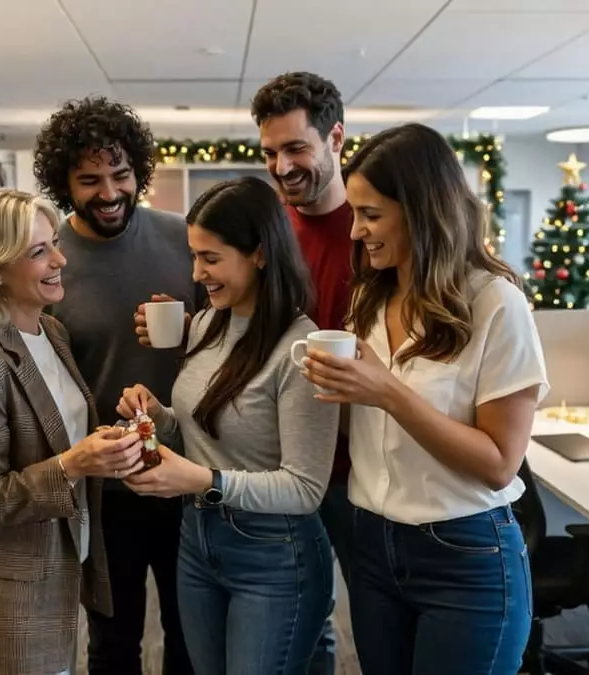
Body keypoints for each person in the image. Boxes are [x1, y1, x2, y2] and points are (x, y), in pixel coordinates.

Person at [301, 123, 548, 675]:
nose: (356, 230)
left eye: (370, 214)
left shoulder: (496, 304)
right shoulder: (369, 297)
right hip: (373, 545)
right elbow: (364, 435)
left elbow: (498, 463)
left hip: (463, 554)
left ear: (420, 210)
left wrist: (388, 393)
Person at [122, 177, 339, 675]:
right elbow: (204, 432)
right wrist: (159, 416)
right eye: (194, 256)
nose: (197, 273)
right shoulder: (205, 324)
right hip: (198, 540)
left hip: (275, 555)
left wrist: (202, 480)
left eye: (211, 259)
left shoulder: (301, 349)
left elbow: (305, 488)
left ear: (259, 254)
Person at [0, 189, 145, 675]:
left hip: (65, 562)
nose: (60, 258)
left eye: (54, 242)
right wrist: (75, 463)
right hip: (16, 591)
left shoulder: (50, 332)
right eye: (38, 252)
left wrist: (115, 435)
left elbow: (59, 433)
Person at [34, 96, 197, 675]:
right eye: (89, 180)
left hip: (188, 478)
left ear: (139, 174)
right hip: (104, 492)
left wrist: (188, 329)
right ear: (64, 184)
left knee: (192, 640)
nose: (109, 193)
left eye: (121, 175)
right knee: (111, 645)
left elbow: (229, 342)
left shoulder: (183, 238)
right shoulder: (51, 258)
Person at [251, 71, 353, 674]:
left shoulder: (374, 230)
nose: (282, 167)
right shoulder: (269, 231)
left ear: (334, 138)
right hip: (283, 465)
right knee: (302, 623)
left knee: (361, 613)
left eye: (296, 148)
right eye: (270, 153)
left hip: (358, 468)